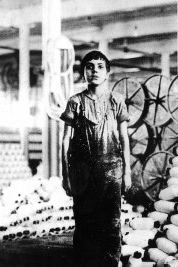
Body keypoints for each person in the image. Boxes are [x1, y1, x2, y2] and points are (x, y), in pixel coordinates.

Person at [60, 50, 131, 267]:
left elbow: (124, 138)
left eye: (100, 66)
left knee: (111, 226)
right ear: (84, 73)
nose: (95, 71)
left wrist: (127, 173)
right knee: (84, 226)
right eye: (90, 66)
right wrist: (66, 175)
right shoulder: (75, 102)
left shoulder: (117, 100)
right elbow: (65, 141)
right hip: (83, 174)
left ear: (108, 73)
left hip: (112, 173)